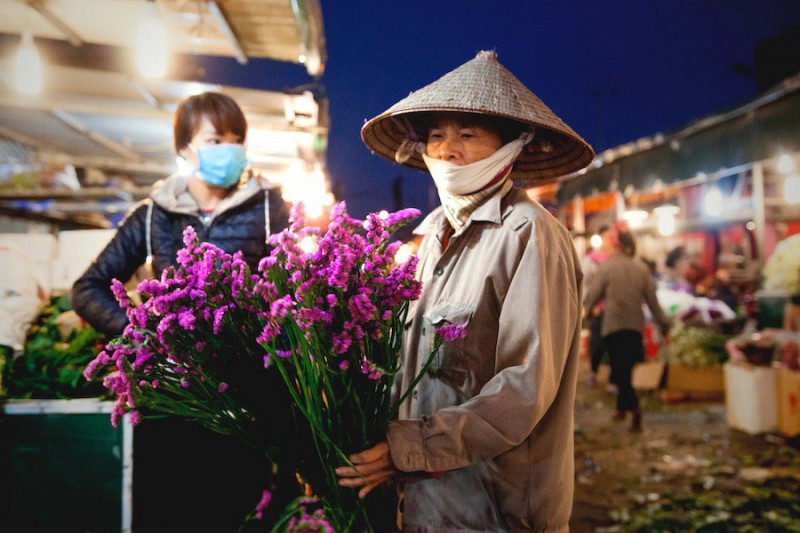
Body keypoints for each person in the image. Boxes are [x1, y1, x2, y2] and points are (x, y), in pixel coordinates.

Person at [336, 50, 595, 531]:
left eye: (468, 135)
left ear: (511, 148)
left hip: (498, 508)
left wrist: (413, 448)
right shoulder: (428, 238)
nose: (448, 150)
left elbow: (525, 386)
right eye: (436, 136)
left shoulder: (529, 234)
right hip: (426, 506)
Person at [72, 91, 291, 531]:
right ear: (184, 149)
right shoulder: (154, 214)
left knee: (242, 509)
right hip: (171, 397)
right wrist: (144, 339)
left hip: (244, 397)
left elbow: (292, 293)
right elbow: (87, 288)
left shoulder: (268, 209)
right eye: (215, 139)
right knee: (169, 510)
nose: (228, 148)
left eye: (236, 138)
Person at [584, 221, 671, 432]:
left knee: (620, 372)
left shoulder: (606, 268)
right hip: (634, 328)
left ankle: (633, 409)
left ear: (615, 245)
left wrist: (584, 316)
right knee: (625, 370)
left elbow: (592, 297)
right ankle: (622, 409)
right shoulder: (641, 269)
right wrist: (665, 327)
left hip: (613, 327)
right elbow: (654, 304)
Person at [582, 226, 610, 387]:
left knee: (613, 344)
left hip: (614, 308)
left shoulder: (615, 259)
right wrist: (591, 305)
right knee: (597, 342)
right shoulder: (591, 260)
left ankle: (613, 379)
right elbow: (586, 285)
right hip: (598, 308)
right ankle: (593, 372)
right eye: (606, 236)